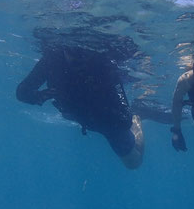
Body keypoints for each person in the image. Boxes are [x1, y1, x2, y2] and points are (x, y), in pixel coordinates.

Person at [16, 44, 144, 169]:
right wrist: (43, 95)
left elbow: (124, 118)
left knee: (133, 163)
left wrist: (128, 119)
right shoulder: (52, 58)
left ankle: (137, 121)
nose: (76, 56)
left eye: (79, 51)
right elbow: (22, 92)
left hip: (108, 120)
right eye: (70, 50)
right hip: (78, 115)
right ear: (64, 47)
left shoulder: (100, 61)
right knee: (131, 162)